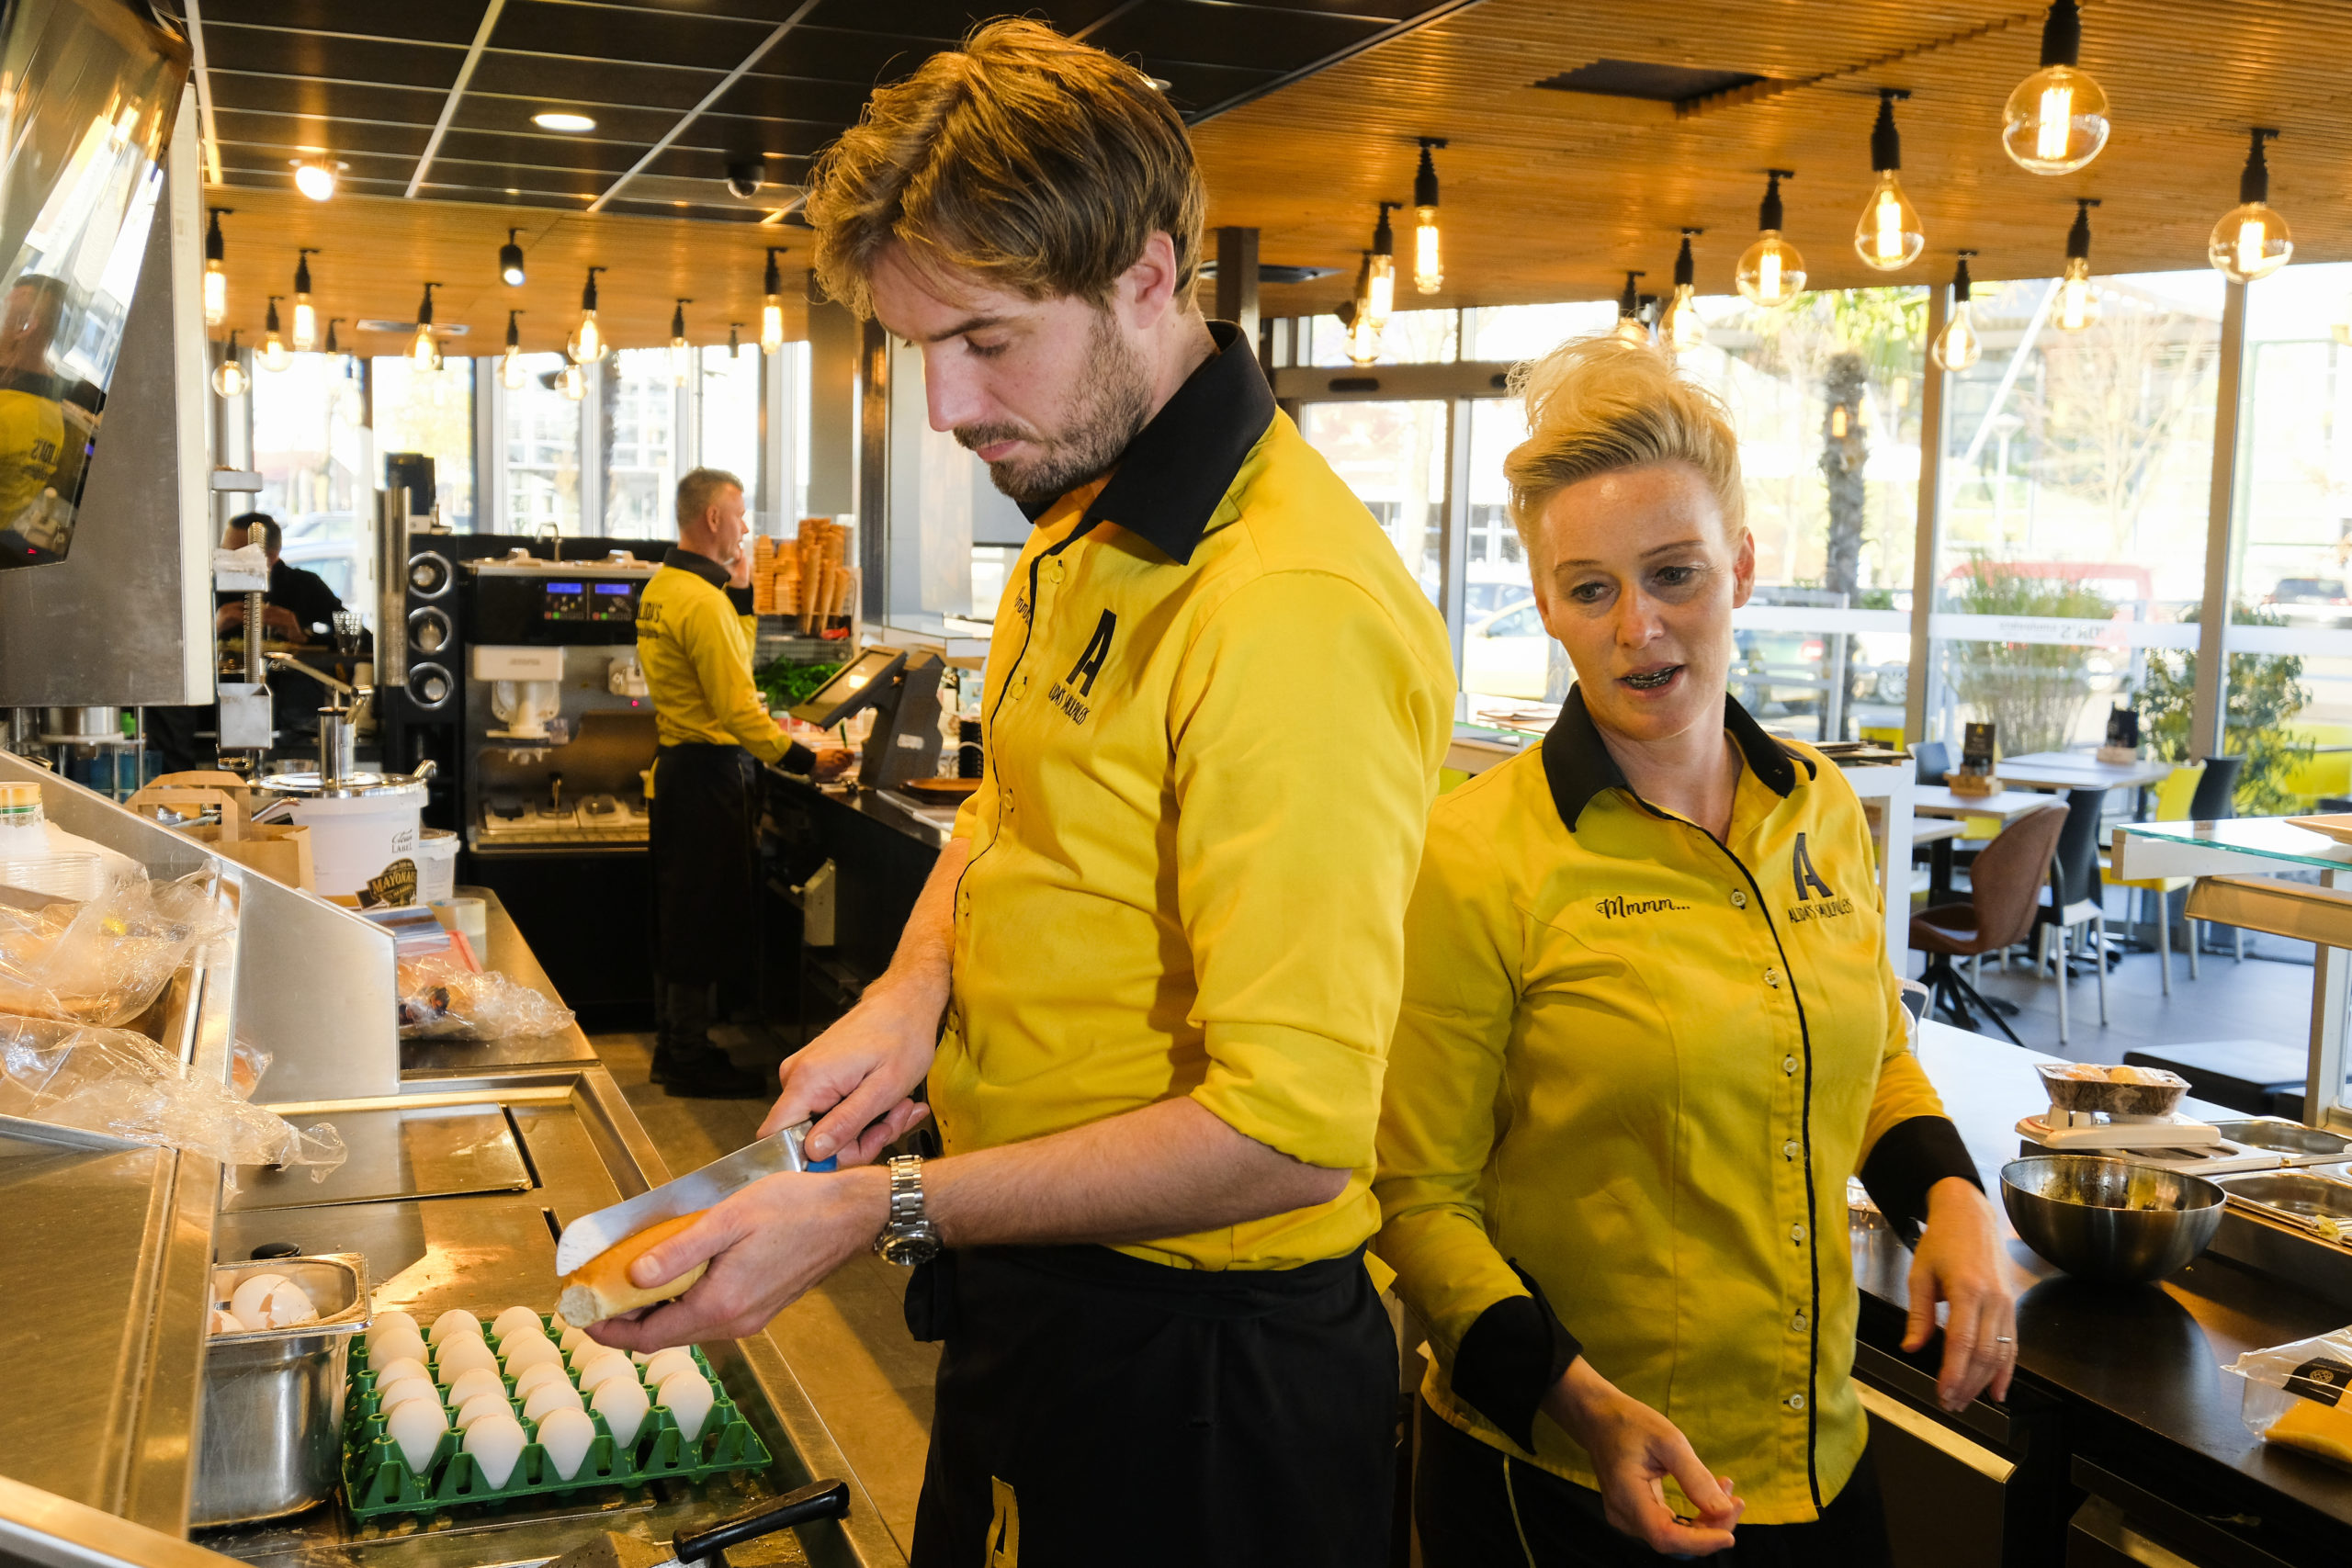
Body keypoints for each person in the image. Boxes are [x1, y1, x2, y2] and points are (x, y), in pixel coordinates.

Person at [587, 22, 1455, 1568]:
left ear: (1145, 273)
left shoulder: (1292, 604)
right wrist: (916, 987)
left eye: (985, 339)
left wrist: (884, 1208)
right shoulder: (1084, 520)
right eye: (919, 347)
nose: (942, 407)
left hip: (1206, 1377)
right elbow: (1014, 811)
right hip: (1044, 1302)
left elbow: (1291, 1130)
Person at [1374, 337, 2016, 1567]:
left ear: (1743, 567)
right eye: (1592, 588)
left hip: (1818, 1465)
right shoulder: (1477, 851)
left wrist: (1952, 1196)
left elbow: (1872, 1049)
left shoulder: (1820, 805)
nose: (1639, 626)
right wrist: (1578, 1399)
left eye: (1673, 572)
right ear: (1550, 599)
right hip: (1561, 1481)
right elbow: (1417, 1196)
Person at [638, 467, 848, 1099]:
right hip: (706, 774)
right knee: (700, 915)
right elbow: (737, 709)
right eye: (740, 513)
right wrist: (806, 760)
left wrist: (747, 601)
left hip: (680, 770)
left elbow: (730, 664)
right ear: (711, 519)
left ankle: (677, 1044)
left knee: (684, 912)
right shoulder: (699, 601)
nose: (746, 526)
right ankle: (687, 1055)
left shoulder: (667, 588)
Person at [215, 511, 348, 742]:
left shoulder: (304, 586)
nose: (227, 563)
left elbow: (358, 639)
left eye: (237, 555)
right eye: (224, 553)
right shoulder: (213, 590)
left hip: (298, 717)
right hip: (222, 710)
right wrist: (215, 626)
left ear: (271, 556)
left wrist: (303, 636)